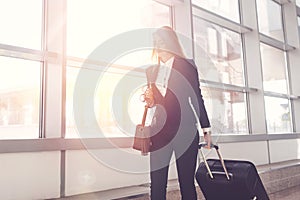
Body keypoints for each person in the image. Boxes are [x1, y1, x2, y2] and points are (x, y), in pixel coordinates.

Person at [143, 26, 212, 200]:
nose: (158, 46)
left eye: (161, 42)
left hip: (185, 132)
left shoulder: (186, 65)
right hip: (159, 133)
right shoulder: (152, 71)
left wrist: (206, 130)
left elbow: (197, 96)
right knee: (157, 184)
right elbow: (158, 103)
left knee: (186, 183)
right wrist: (151, 101)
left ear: (170, 43)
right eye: (155, 43)